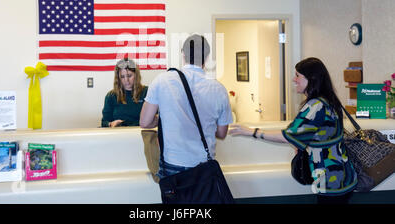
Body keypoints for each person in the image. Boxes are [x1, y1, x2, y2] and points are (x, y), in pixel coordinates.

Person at [229, 57, 358, 204]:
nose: (293, 79)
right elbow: (316, 134)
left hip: (331, 180)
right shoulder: (328, 100)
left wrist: (253, 132)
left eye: (297, 75)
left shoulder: (315, 106)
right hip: (343, 176)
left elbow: (288, 136)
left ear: (311, 79)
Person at [140, 34, 233, 179]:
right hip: (203, 164)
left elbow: (145, 122)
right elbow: (221, 133)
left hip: (173, 162)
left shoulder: (162, 80)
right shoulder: (219, 89)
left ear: (183, 54)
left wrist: (165, 118)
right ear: (207, 57)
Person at [101, 58, 148, 127]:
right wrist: (111, 124)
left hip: (141, 134)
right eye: (122, 77)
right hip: (119, 135)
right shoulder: (111, 96)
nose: (126, 80)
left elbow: (154, 118)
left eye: (129, 76)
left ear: (136, 75)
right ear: (118, 78)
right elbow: (104, 122)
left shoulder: (146, 92)